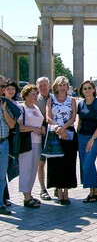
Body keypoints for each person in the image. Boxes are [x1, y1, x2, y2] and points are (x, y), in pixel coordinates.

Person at [46, 76, 77, 205]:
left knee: (68, 162)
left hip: (68, 133)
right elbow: (48, 117)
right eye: (60, 85)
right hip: (55, 133)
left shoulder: (72, 100)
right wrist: (58, 128)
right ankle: (59, 192)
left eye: (65, 85)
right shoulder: (51, 99)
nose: (63, 87)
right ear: (56, 86)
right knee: (56, 163)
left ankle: (66, 192)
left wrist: (63, 129)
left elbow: (73, 117)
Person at [77, 80, 97, 203]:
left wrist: (92, 139)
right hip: (81, 137)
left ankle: (96, 191)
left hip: (95, 137)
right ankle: (93, 192)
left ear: (94, 89)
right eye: (85, 88)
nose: (87, 90)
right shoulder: (80, 104)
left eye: (90, 88)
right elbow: (79, 121)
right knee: (85, 164)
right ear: (82, 91)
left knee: (87, 164)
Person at [19, 84, 45, 208]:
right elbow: (19, 127)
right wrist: (33, 129)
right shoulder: (22, 108)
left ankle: (29, 193)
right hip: (27, 143)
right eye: (33, 94)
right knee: (26, 169)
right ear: (26, 95)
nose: (36, 96)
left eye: (36, 94)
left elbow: (40, 122)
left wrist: (42, 128)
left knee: (33, 169)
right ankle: (26, 197)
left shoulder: (36, 108)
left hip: (38, 142)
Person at [0, 75, 17, 215]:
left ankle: (0, 204)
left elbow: (12, 125)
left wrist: (4, 110)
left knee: (1, 177)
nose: (1, 89)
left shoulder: (6, 104)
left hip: (4, 143)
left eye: (2, 87)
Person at [3, 79, 20, 207]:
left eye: (12, 88)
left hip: (8, 139)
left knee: (3, 171)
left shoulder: (11, 104)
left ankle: (3, 198)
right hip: (8, 138)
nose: (10, 90)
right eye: (6, 88)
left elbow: (13, 124)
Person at [35, 77, 52, 201]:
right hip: (41, 134)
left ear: (49, 85)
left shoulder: (55, 98)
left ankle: (57, 186)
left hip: (54, 133)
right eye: (40, 86)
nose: (43, 88)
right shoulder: (35, 100)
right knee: (41, 163)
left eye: (44, 85)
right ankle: (42, 189)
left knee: (56, 161)